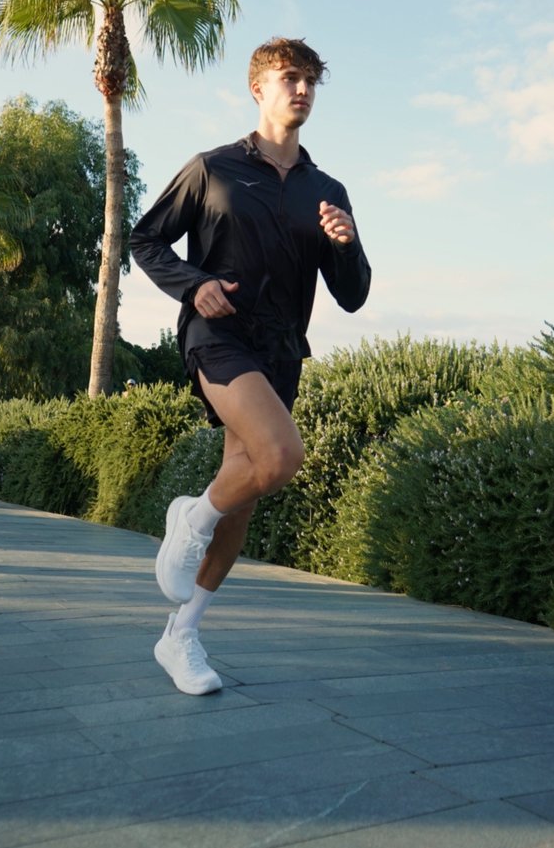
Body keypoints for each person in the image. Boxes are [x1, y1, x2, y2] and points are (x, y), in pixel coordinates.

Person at [129, 37, 371, 695]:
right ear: (258, 88)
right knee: (281, 454)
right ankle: (191, 517)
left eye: (311, 81)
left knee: (247, 489)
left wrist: (345, 247)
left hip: (281, 350)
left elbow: (352, 294)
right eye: (290, 78)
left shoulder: (327, 190)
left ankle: (181, 634)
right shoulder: (213, 169)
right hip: (218, 334)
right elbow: (145, 238)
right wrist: (190, 284)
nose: (302, 90)